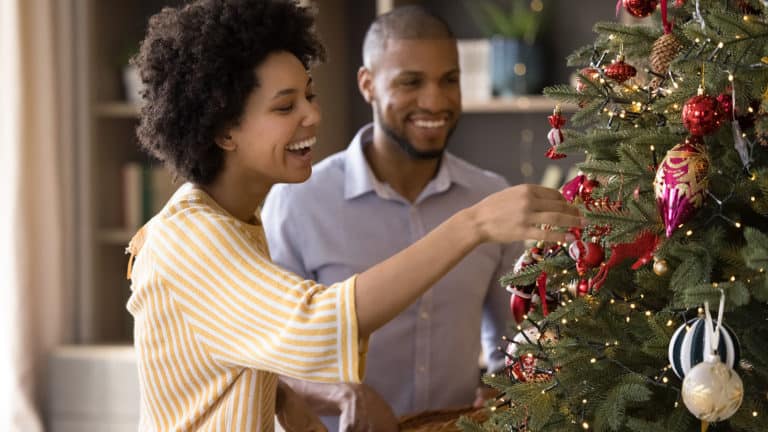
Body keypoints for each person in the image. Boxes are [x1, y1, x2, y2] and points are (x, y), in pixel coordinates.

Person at [126, 1, 581, 431]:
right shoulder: (191, 237)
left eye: (309, 96)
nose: (313, 115)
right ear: (224, 129)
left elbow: (256, 365)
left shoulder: (237, 223)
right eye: (286, 107)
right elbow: (317, 325)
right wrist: (473, 224)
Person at [261, 6, 534, 430]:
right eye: (411, 82)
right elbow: (269, 360)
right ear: (367, 85)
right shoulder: (299, 203)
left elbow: (516, 344)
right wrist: (338, 394)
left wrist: (502, 394)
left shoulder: (490, 197)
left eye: (450, 81)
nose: (435, 101)